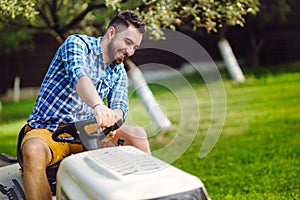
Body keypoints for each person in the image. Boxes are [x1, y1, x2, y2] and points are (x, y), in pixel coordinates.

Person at [18, 10, 150, 200]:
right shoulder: (76, 44)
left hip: (88, 133)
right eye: (128, 43)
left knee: (137, 135)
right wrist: (98, 105)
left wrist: (113, 121)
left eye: (135, 47)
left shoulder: (118, 70)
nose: (130, 52)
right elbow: (79, 77)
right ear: (111, 33)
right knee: (33, 151)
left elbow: (120, 107)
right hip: (49, 129)